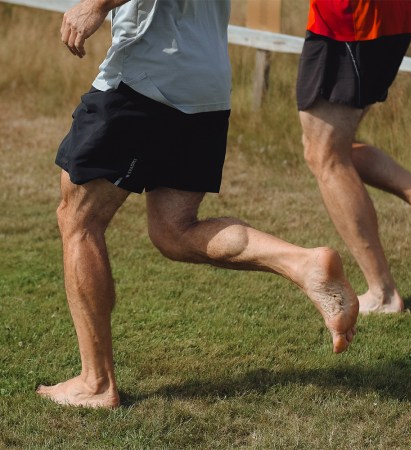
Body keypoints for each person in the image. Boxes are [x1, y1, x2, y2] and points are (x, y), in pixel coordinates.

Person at [36, 0, 358, 409]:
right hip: (206, 86)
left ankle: (95, 381)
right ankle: (303, 264)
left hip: (146, 76)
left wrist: (95, 6)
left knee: (79, 220)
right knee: (175, 230)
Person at [297, 0, 411, 314]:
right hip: (387, 18)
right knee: (331, 151)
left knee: (326, 156)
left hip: (348, 20)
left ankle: (383, 295)